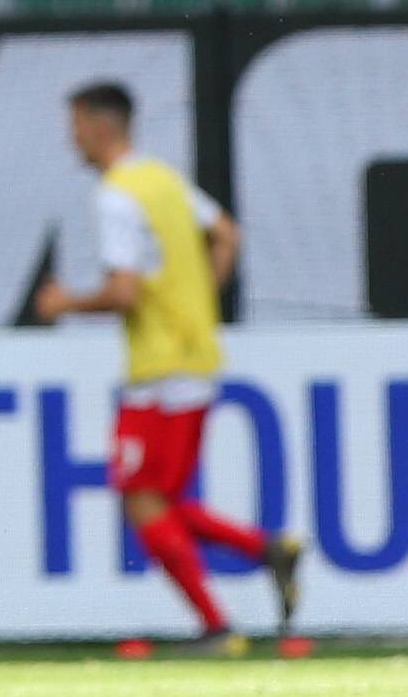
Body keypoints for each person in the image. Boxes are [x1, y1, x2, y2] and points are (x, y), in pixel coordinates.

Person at [36, 82, 302, 654]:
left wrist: (64, 304)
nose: (72, 137)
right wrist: (197, 302)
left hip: (158, 369)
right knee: (162, 498)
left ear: (98, 124)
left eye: (76, 125)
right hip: (195, 357)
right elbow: (226, 233)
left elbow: (124, 292)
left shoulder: (116, 195)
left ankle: (217, 627)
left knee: (141, 496)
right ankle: (267, 550)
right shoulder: (161, 178)